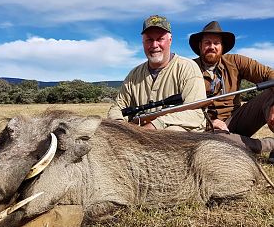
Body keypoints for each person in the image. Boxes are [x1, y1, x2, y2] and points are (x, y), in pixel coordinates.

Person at [189, 21, 274, 162]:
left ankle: (238, 142)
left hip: (237, 119)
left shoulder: (236, 61)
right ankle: (268, 145)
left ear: (222, 47)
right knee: (214, 141)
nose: (212, 47)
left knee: (270, 94)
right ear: (200, 46)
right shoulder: (189, 68)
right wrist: (207, 122)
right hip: (208, 127)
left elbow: (268, 74)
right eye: (207, 43)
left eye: (216, 43)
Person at [108, 15, 206, 131]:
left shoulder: (188, 68)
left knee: (172, 131)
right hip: (140, 134)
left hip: (181, 139)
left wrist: (156, 125)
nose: (154, 45)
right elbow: (118, 107)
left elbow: (195, 114)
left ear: (170, 40)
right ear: (143, 42)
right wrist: (119, 124)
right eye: (149, 40)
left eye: (160, 39)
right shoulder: (133, 75)